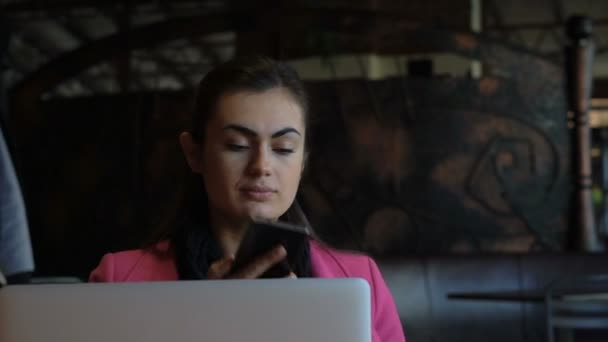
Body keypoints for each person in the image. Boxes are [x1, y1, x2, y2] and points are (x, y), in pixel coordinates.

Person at [89, 56, 405, 342]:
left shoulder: (361, 282)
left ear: (303, 160)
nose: (262, 167)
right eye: (238, 145)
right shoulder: (120, 280)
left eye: (283, 149)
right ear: (194, 153)